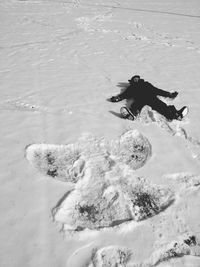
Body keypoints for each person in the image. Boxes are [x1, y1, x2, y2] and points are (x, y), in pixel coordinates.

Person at [108, 75, 187, 121]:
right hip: (140, 98)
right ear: (132, 81)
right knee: (136, 105)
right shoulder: (131, 87)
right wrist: (117, 98)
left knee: (162, 106)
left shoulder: (146, 84)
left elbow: (157, 90)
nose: (136, 79)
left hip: (151, 97)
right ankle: (132, 114)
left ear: (139, 79)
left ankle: (175, 115)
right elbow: (125, 95)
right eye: (134, 79)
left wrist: (169, 94)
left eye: (137, 78)